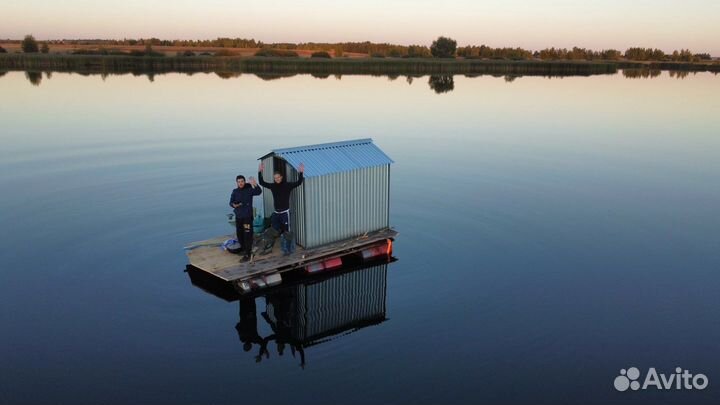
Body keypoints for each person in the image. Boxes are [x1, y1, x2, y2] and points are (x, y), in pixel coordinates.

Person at [258, 162, 304, 255]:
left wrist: (301, 172)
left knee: (286, 232)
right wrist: (260, 172)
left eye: (278, 177)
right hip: (276, 213)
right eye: (275, 178)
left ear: (281, 177)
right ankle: (268, 248)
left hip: (284, 213)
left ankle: (287, 250)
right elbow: (262, 182)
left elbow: (299, 182)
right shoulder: (273, 186)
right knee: (272, 231)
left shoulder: (287, 185)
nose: (277, 179)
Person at [229, 174, 262, 261]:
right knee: (240, 234)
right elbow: (230, 202)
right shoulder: (235, 191)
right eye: (239, 182)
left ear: (244, 182)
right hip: (239, 217)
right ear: (236, 182)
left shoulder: (249, 190)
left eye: (242, 181)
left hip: (247, 217)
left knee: (247, 235)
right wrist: (234, 205)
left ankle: (248, 254)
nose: (240, 183)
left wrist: (255, 184)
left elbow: (259, 192)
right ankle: (244, 249)